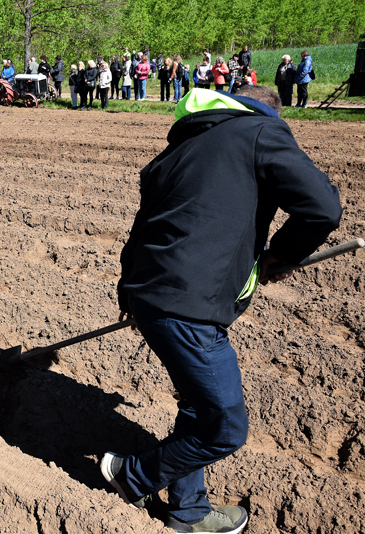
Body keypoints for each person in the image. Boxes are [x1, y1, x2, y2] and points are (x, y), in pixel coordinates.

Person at [103, 85, 342, 534]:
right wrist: (280, 255)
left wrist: (129, 294)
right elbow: (323, 208)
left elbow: (142, 230)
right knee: (225, 428)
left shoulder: (177, 149)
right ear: (268, 112)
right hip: (189, 307)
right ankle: (130, 474)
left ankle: (188, 511)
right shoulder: (260, 131)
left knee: (200, 406)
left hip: (151, 295)